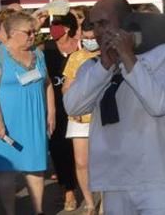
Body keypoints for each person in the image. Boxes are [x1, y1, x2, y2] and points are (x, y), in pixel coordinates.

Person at [65, 0, 165, 214]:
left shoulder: (161, 57)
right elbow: (73, 107)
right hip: (114, 179)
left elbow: (159, 105)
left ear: (126, 23)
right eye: (94, 25)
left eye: (104, 23)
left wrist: (128, 57)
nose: (98, 32)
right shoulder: (92, 66)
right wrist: (105, 66)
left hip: (156, 178)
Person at [0, 12, 55, 215]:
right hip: (4, 118)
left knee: (36, 167)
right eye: (28, 32)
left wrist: (51, 112)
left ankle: (38, 211)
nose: (33, 36)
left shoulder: (38, 54)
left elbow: (47, 84)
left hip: (33, 118)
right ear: (13, 33)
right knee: (6, 171)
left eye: (34, 32)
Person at [61, 18, 101, 214]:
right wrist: (72, 107)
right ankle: (90, 202)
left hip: (102, 118)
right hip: (79, 118)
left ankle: (106, 201)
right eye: (85, 38)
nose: (88, 42)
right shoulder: (75, 58)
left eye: (92, 38)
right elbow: (66, 87)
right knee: (81, 162)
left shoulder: (109, 55)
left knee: (103, 161)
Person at [43, 13, 81, 211]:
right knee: (59, 150)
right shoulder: (46, 48)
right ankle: (67, 191)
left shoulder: (81, 46)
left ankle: (87, 188)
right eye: (51, 24)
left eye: (57, 24)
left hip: (81, 108)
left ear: (67, 27)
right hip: (56, 108)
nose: (53, 28)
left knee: (81, 153)